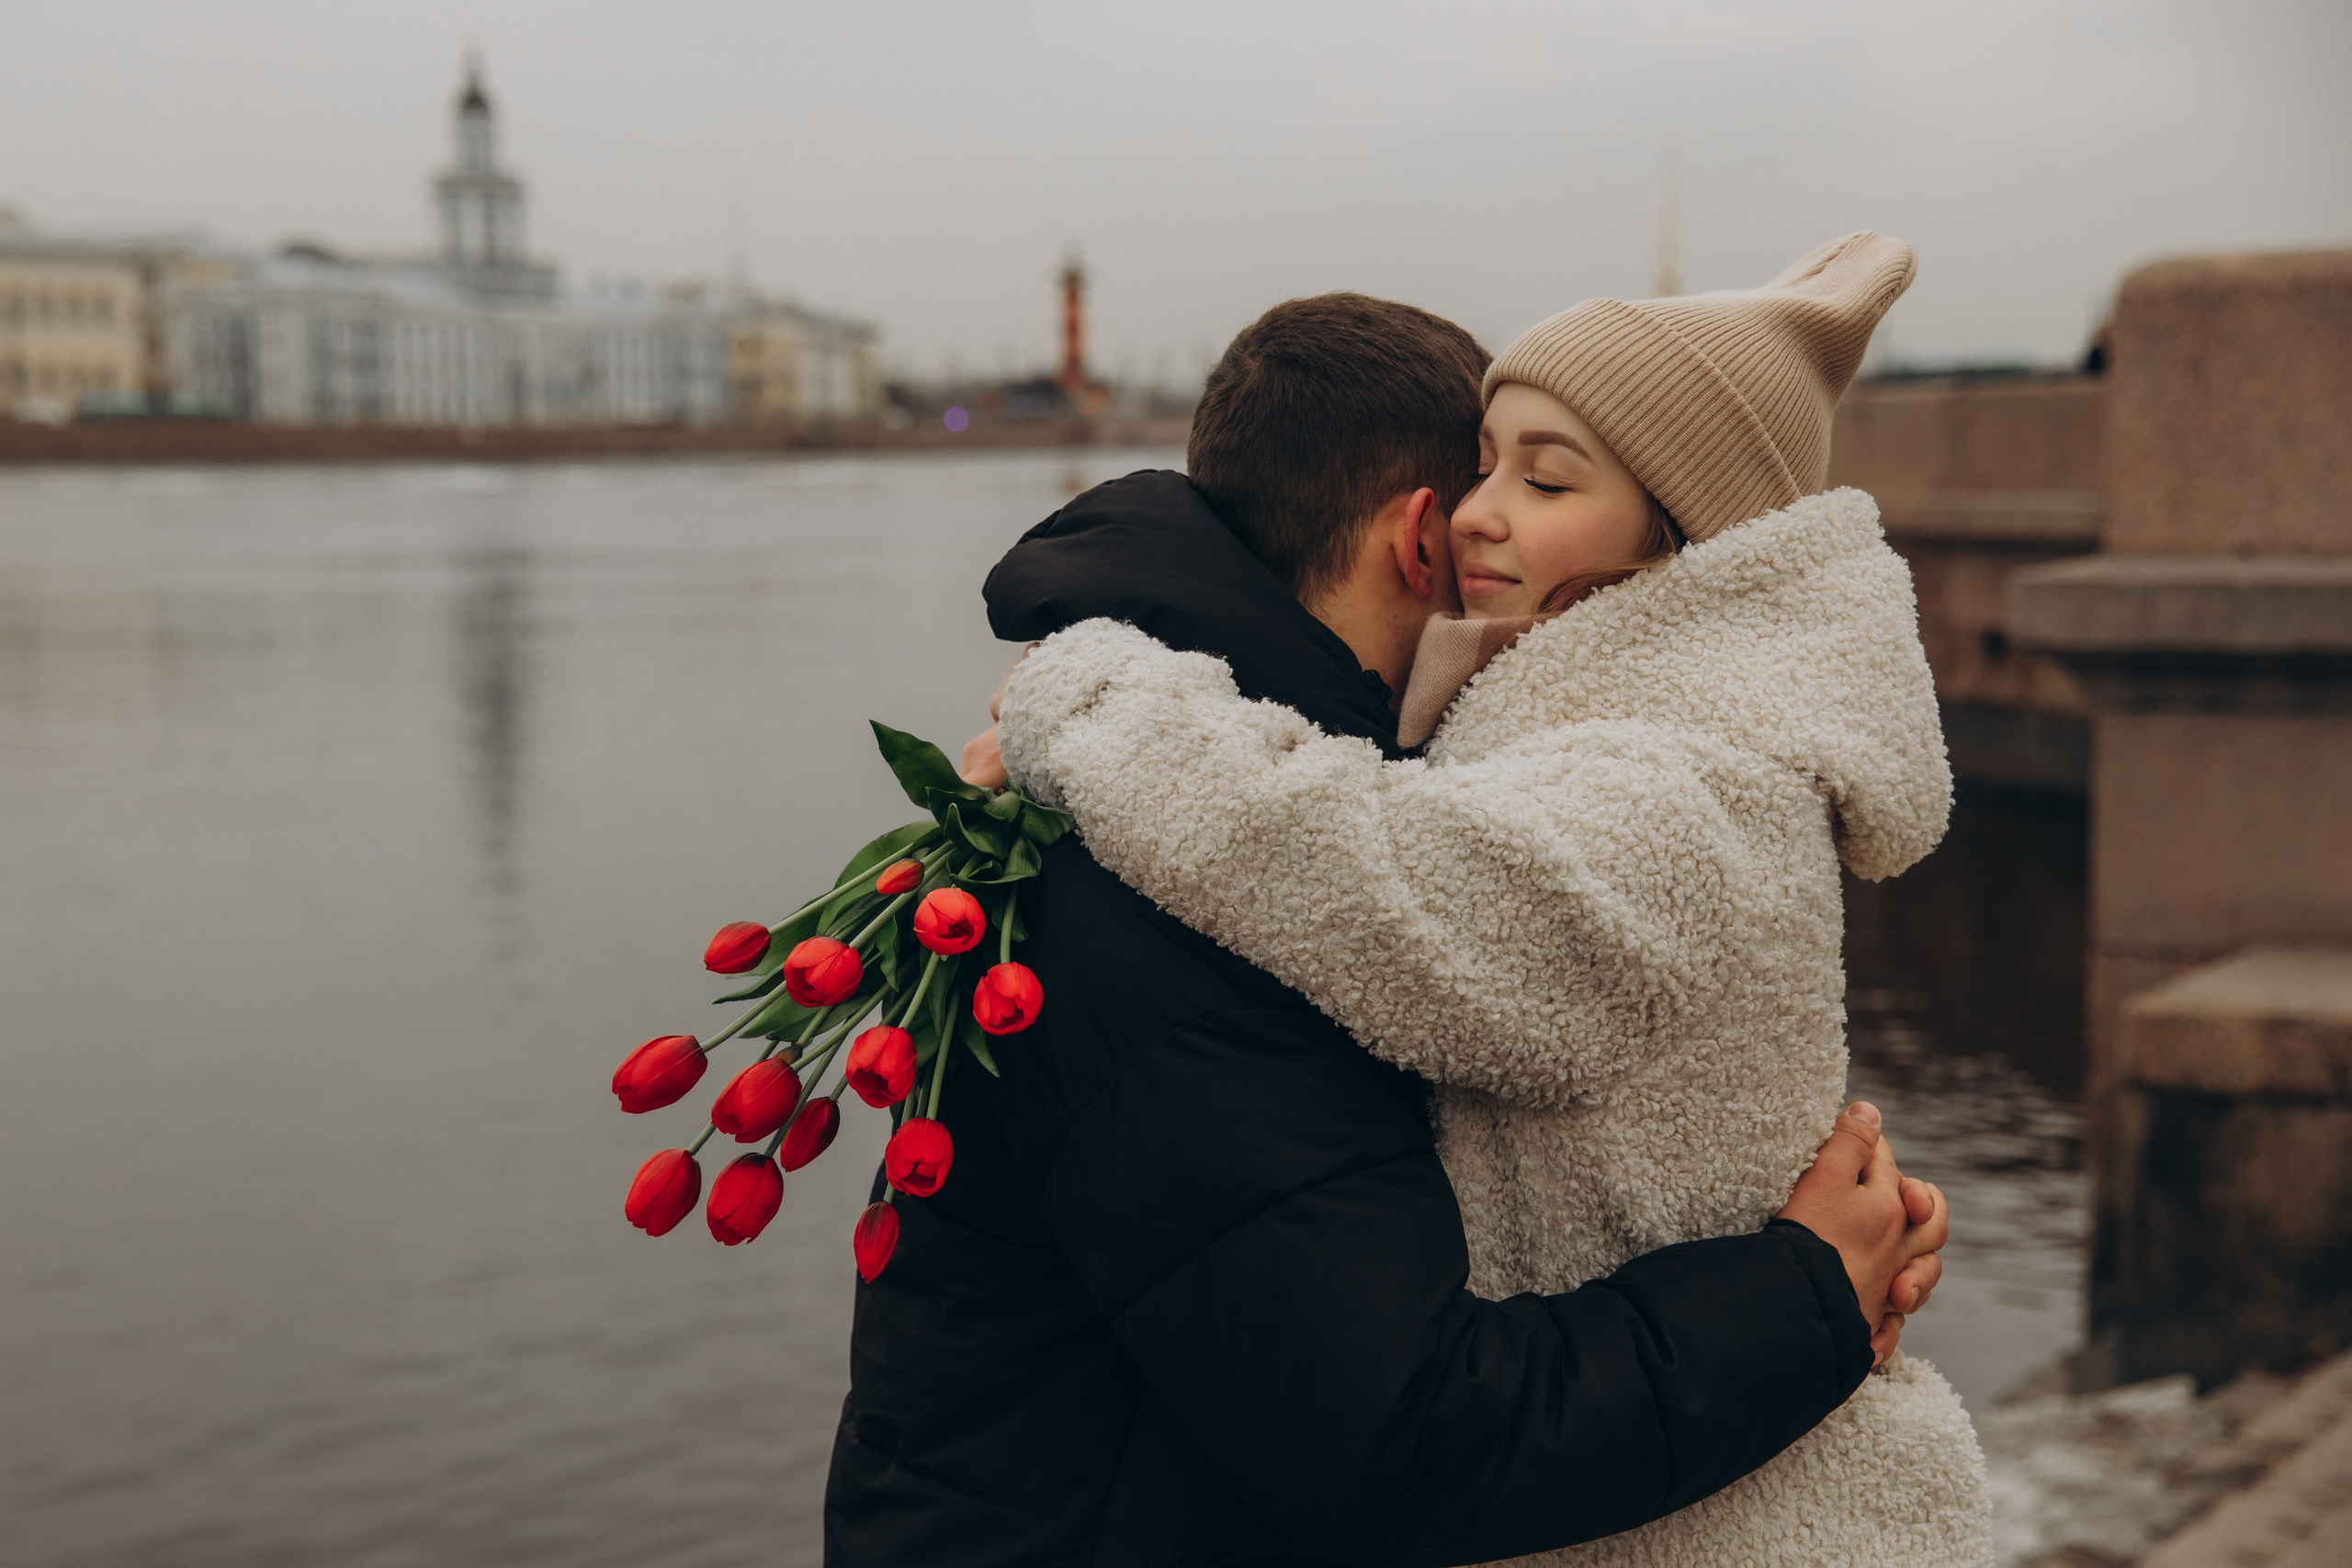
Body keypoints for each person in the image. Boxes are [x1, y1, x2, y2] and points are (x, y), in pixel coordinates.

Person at [823, 288, 1950, 1567]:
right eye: (1486, 480)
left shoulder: (1285, 830)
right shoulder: (1173, 886)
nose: (1489, 520)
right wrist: (1805, 1296)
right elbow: (1405, 1439)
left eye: (1540, 483)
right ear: (1424, 542)